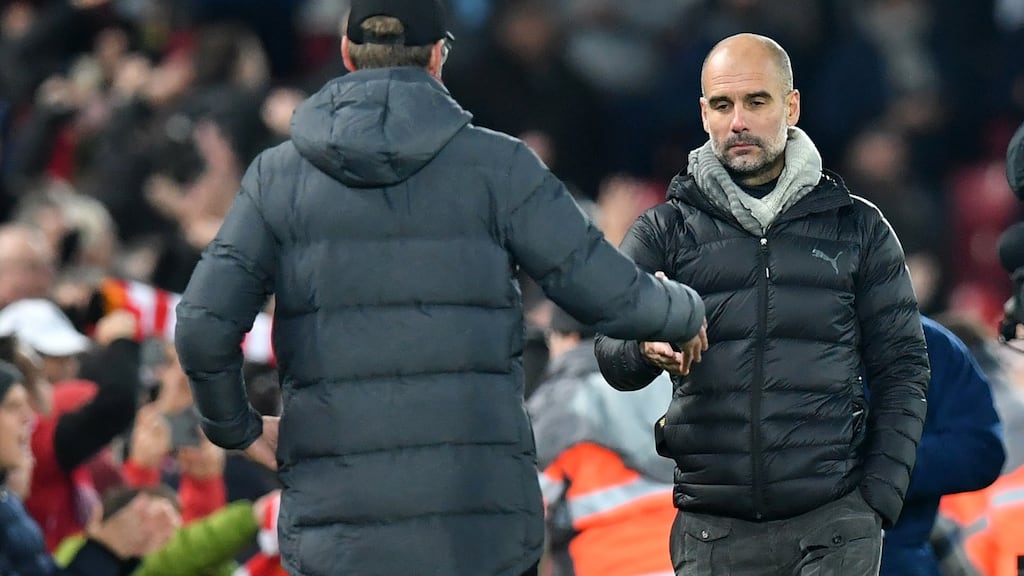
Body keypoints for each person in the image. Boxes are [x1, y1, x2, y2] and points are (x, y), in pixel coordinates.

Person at [173, 1, 707, 575]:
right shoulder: (500, 166)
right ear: (437, 56)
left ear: (347, 54)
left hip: (339, 527)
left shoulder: (278, 177)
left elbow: (203, 327)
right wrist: (683, 311)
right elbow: (612, 295)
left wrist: (239, 429)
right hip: (478, 525)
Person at [594, 33, 930, 575]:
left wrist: (877, 500)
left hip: (834, 526)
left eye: (756, 101)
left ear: (791, 106)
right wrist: (642, 343)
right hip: (713, 531)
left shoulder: (858, 227)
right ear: (703, 114)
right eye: (723, 105)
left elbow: (904, 368)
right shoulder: (664, 230)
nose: (738, 122)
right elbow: (609, 350)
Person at [528, 306, 676, 576]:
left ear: (568, 338)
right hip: (683, 560)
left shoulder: (560, 405)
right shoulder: (668, 383)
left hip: (605, 564)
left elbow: (526, 507)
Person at [0, 360, 177, 575]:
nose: (29, 417)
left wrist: (118, 551)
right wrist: (106, 549)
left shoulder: (8, 503)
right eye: (12, 406)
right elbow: (117, 402)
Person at [879, 316, 1004, 576]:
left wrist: (888, 463)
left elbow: (982, 449)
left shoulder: (927, 342)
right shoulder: (778, 337)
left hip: (896, 556)